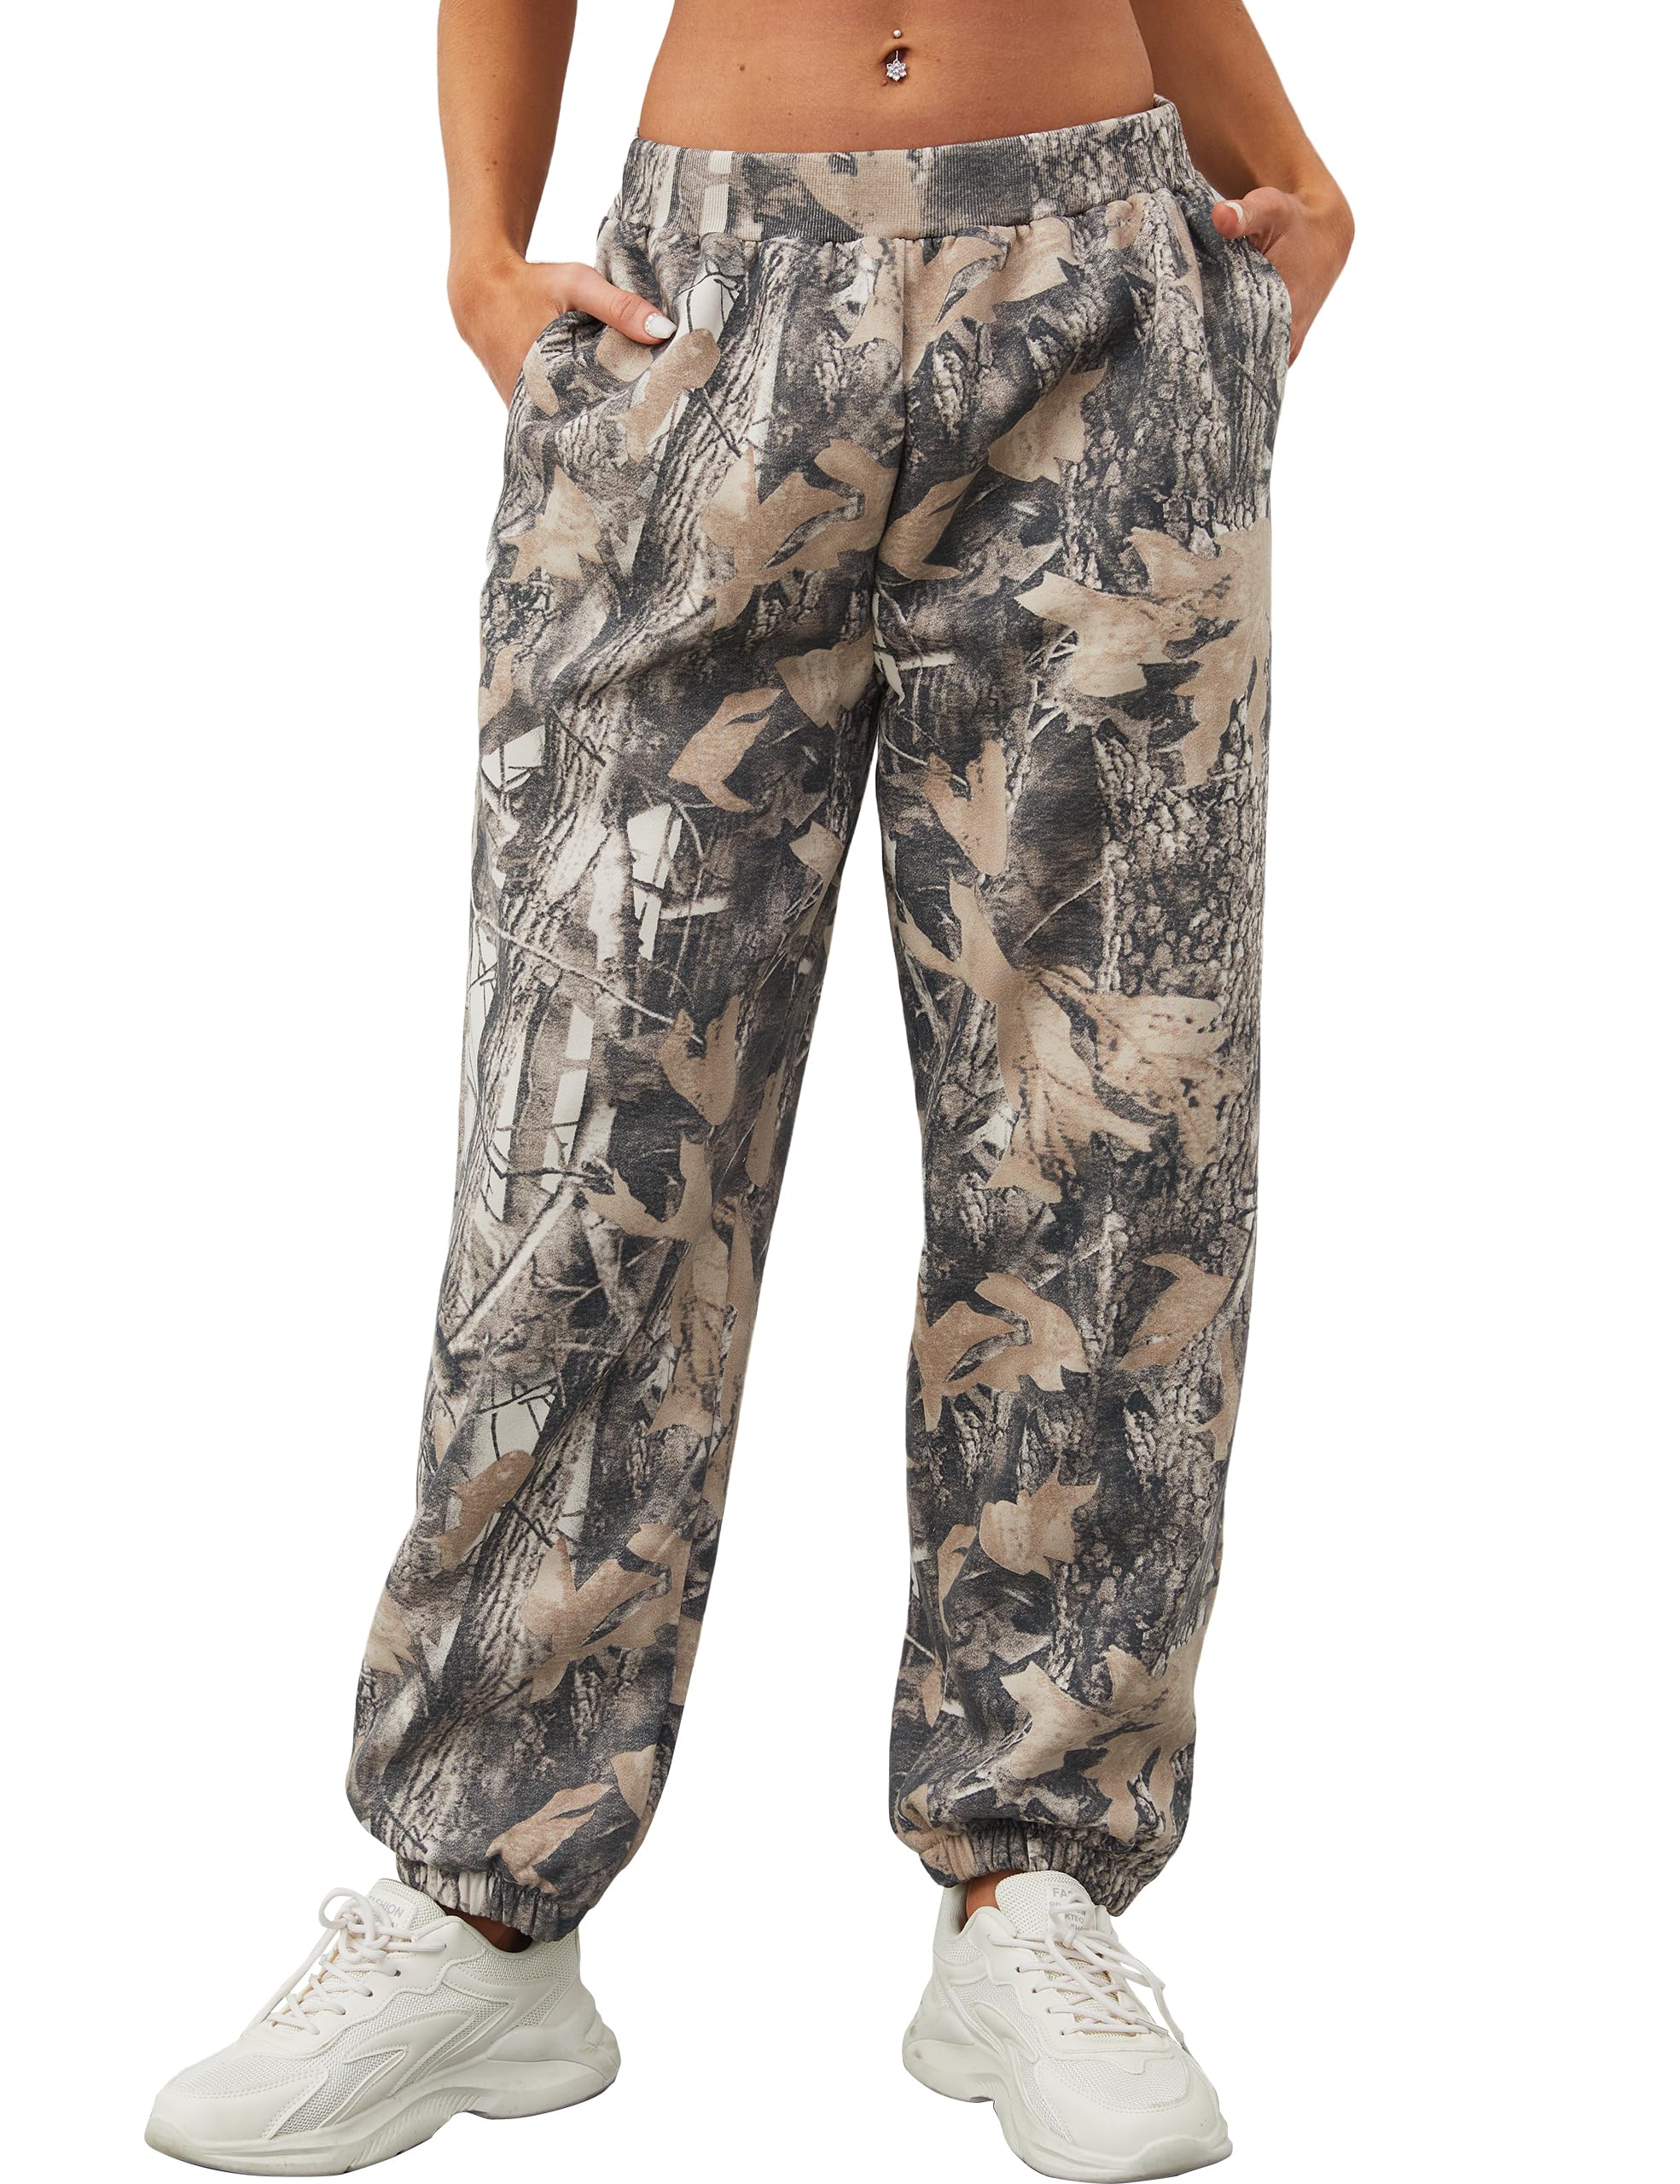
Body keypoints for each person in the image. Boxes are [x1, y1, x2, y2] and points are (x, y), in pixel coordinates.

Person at [146, 3, 1352, 2176]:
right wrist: (480, 252)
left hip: (1099, 287)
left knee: (1106, 1133)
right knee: (590, 1124)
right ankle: (480, 1894)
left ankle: (1034, 1883)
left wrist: (1291, 181)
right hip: (704, 308)